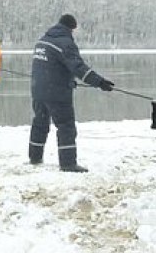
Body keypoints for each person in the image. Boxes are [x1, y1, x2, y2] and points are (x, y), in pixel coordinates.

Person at [29, 14, 114, 172]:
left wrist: (65, 80)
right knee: (66, 126)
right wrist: (100, 82)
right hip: (57, 93)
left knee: (40, 123)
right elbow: (78, 68)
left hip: (38, 89)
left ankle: (35, 157)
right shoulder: (65, 43)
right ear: (72, 28)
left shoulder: (42, 40)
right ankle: (68, 164)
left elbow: (49, 67)